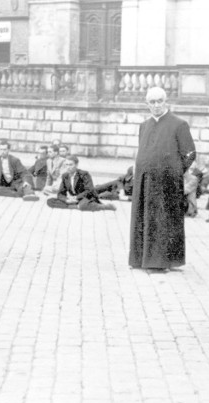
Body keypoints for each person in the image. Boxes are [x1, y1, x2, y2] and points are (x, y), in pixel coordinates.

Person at [129, 86, 196, 271]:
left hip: (167, 182)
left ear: (166, 102)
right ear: (147, 104)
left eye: (160, 101)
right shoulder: (144, 125)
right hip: (144, 181)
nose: (156, 105)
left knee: (162, 220)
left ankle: (161, 262)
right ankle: (139, 259)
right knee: (142, 219)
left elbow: (190, 153)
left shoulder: (178, 124)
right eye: (152, 102)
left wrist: (174, 171)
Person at [46, 155, 116, 211]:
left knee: (83, 205)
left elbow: (89, 190)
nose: (68, 167)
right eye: (66, 165)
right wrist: (66, 200)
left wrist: (76, 197)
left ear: (76, 165)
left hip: (85, 197)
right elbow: (60, 193)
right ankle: (75, 206)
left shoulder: (84, 174)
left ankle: (104, 206)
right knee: (50, 201)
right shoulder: (65, 176)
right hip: (73, 199)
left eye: (70, 165)